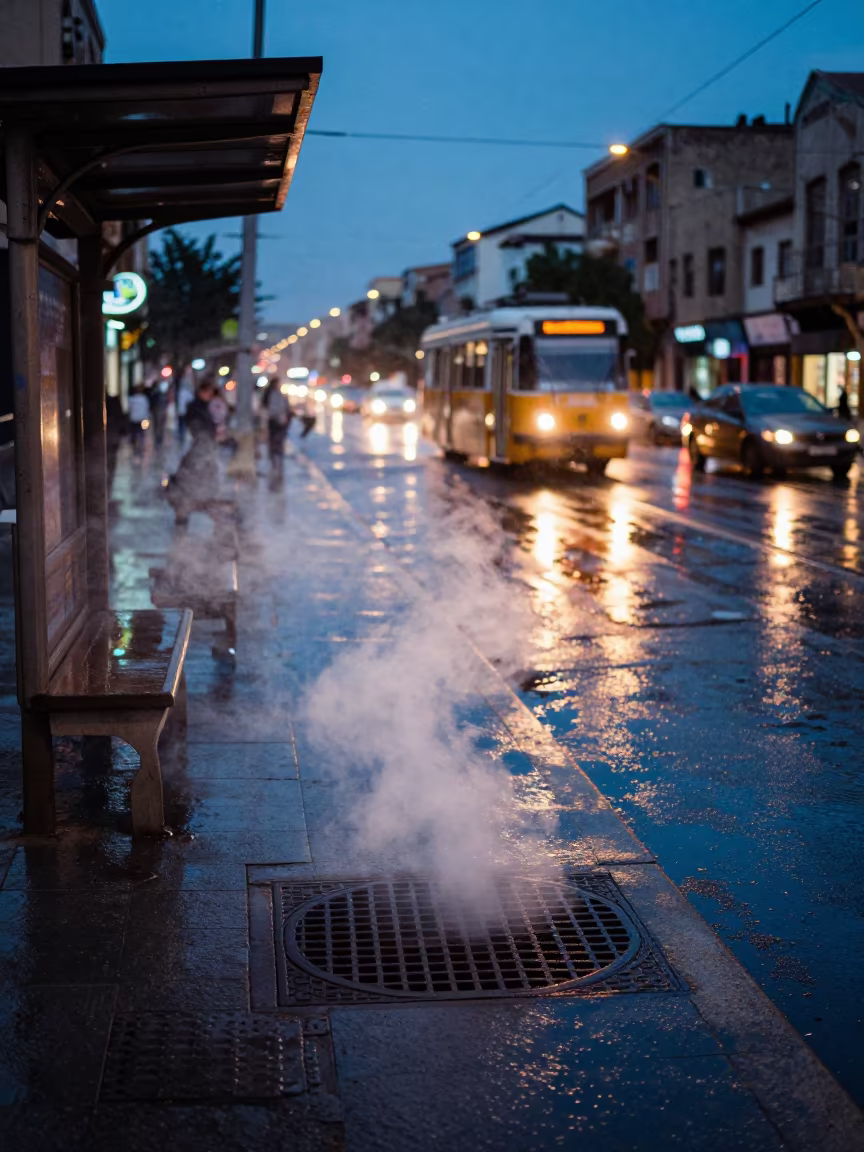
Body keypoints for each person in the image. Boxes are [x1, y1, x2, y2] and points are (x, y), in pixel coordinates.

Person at [166, 379, 219, 525]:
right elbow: (198, 428)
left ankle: (187, 511)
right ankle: (184, 512)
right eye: (208, 392)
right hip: (201, 448)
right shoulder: (196, 408)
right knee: (192, 482)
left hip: (204, 449)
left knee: (198, 483)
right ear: (202, 392)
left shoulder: (203, 407)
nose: (210, 395)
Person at [262, 375, 293, 473]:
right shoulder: (271, 394)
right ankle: (274, 456)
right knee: (275, 439)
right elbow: (271, 407)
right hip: (274, 420)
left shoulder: (279, 394)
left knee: (278, 439)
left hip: (279, 420)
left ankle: (277, 455)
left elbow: (285, 406)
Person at [127, 383, 150, 458]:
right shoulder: (144, 399)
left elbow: (129, 409)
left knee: (135, 433)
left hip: (134, 419)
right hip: (141, 419)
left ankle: (136, 446)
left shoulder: (131, 399)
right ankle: (140, 445)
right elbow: (146, 409)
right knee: (141, 433)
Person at [176, 373, 195, 444]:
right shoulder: (188, 393)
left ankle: (181, 439)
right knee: (184, 427)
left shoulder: (180, 393)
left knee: (181, 427)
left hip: (181, 413)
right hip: (185, 413)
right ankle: (182, 439)